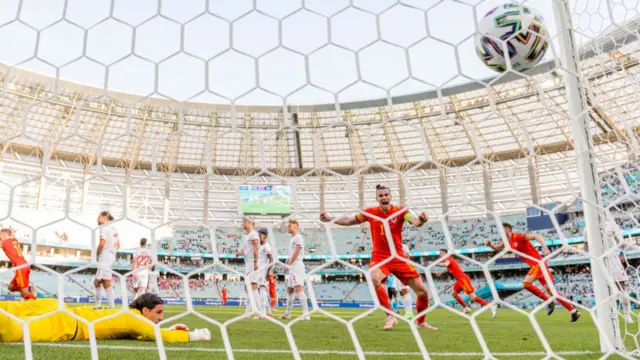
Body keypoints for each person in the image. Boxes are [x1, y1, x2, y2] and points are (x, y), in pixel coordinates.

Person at [320, 184, 435, 330]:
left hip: (398, 257)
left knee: (422, 292)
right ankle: (390, 316)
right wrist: (331, 218)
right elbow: (349, 221)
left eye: (386, 195)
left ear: (390, 197)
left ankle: (421, 322)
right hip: (380, 257)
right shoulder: (370, 212)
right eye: (381, 196)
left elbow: (416, 221)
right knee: (373, 278)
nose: (384, 198)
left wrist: (422, 219)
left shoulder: (401, 212)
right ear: (377, 198)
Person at [0, 293, 211, 343]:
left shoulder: (127, 316)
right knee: (12, 330)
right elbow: (159, 336)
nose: (161, 317)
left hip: (55, 306)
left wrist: (172, 328)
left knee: (6, 308)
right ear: (144, 311)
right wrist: (196, 335)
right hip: (62, 324)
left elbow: (138, 334)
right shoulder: (134, 318)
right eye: (158, 313)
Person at [486, 223, 580, 322]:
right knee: (552, 292)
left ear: (507, 229)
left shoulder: (517, 236)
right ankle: (573, 311)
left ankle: (548, 301)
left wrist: (545, 248)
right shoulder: (507, 242)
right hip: (537, 266)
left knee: (526, 284)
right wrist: (490, 245)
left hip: (538, 264)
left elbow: (536, 236)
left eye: (502, 229)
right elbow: (497, 248)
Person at [433, 249, 496, 317]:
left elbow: (446, 264)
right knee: (454, 294)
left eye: (441, 253)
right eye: (439, 253)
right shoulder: (449, 260)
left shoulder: (448, 259)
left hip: (463, 279)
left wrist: (436, 263)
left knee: (473, 298)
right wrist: (440, 273)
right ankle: (466, 308)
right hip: (459, 281)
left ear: (445, 253)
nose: (440, 254)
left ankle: (491, 307)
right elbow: (448, 268)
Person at [281, 219, 310, 320]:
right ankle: (288, 313)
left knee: (298, 288)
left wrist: (288, 264)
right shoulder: (292, 239)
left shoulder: (298, 238)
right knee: (290, 290)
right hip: (292, 266)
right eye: (288, 225)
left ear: (296, 227)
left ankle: (306, 314)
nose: (288, 227)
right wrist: (286, 265)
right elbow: (291, 254)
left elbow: (297, 252)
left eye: (290, 225)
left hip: (297, 266)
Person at [0, 229, 36, 300]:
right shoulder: (15, 240)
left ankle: (37, 303)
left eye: (0, 234)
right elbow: (12, 234)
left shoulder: (4, 243)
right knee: (10, 288)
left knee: (24, 294)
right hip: (24, 265)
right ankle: (28, 288)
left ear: (4, 235)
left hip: (20, 268)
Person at [235, 216, 259, 316]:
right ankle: (249, 311)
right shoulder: (247, 236)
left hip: (251, 262)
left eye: (244, 222)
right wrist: (239, 253)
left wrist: (255, 262)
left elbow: (255, 249)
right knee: (249, 287)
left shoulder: (253, 234)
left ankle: (257, 311)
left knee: (252, 286)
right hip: (248, 262)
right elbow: (246, 250)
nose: (243, 223)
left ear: (250, 223)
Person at [95, 211, 120, 308]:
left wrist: (97, 254)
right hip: (110, 258)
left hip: (104, 258)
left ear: (104, 218)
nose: (97, 219)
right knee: (105, 282)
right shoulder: (114, 229)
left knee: (98, 282)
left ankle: (98, 306)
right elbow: (118, 245)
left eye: (98, 217)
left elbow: (102, 243)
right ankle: (110, 306)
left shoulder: (103, 228)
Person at [256, 228, 273, 318]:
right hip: (260, 271)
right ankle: (268, 311)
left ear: (264, 236)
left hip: (263, 271)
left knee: (262, 290)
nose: (258, 237)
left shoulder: (266, 246)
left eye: (259, 236)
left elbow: (271, 259)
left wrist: (267, 272)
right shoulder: (261, 247)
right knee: (260, 290)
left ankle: (261, 313)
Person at [396, 243, 414, 319]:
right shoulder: (391, 246)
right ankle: (407, 311)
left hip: (403, 269)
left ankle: (409, 312)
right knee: (401, 292)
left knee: (405, 290)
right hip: (396, 270)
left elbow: (407, 257)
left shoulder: (403, 246)